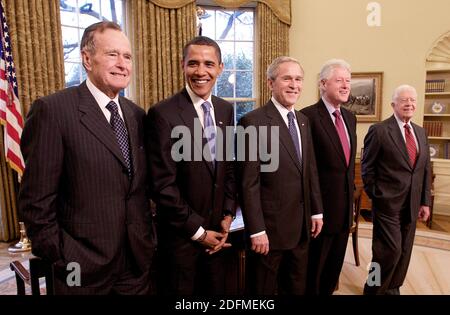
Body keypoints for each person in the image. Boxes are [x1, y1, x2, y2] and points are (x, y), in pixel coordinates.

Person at [18, 21, 156, 295]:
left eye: (127, 57)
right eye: (112, 54)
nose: (122, 64)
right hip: (78, 268)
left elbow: (139, 190)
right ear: (87, 58)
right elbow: (35, 202)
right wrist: (62, 257)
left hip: (135, 265)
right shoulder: (53, 111)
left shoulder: (137, 115)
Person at [146, 36, 236, 295]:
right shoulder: (163, 113)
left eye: (209, 64)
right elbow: (162, 185)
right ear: (182, 65)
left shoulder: (225, 110)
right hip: (180, 242)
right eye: (193, 63)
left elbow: (228, 167)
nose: (201, 71)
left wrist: (228, 215)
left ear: (220, 67)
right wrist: (198, 231)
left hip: (219, 238)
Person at [237, 56, 323, 295]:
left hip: (302, 229)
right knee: (261, 291)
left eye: (298, 79)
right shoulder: (252, 122)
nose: (294, 85)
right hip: (269, 234)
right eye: (287, 78)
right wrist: (256, 230)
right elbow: (248, 183)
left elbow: (310, 170)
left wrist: (316, 210)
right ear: (270, 83)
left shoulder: (304, 122)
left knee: (296, 288)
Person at [362, 84, 431, 295]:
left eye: (412, 100)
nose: (409, 104)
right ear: (394, 104)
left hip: (412, 204)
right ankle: (372, 289)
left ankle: (392, 288)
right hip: (387, 205)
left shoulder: (420, 132)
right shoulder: (380, 130)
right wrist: (378, 195)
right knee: (387, 252)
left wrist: (424, 201)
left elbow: (425, 168)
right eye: (404, 100)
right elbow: (367, 169)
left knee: (404, 253)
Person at [300, 59, 357, 295]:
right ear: (323, 83)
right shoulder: (307, 117)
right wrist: (315, 210)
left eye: (348, 81)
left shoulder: (350, 118)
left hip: (344, 214)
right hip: (319, 215)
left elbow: (347, 169)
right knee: (313, 275)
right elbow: (306, 170)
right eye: (339, 80)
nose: (345, 86)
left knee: (332, 275)